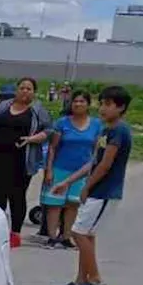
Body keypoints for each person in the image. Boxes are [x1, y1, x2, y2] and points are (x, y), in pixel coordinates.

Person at [51, 86, 133, 285]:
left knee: (78, 233)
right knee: (86, 234)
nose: (103, 108)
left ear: (121, 107)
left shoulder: (119, 131)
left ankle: (95, 278)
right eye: (102, 103)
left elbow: (105, 165)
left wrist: (87, 187)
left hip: (104, 191)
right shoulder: (106, 130)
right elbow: (93, 162)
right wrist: (68, 182)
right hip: (96, 190)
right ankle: (81, 279)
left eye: (108, 104)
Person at [0, 77, 52, 235]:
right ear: (16, 90)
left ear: (34, 92)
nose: (25, 91)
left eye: (29, 89)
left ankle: (15, 233)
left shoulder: (38, 111)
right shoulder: (1, 107)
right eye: (22, 88)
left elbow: (48, 132)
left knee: (17, 196)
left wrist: (31, 139)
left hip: (22, 161)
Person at [41, 90, 100, 249]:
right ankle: (52, 237)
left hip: (82, 171)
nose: (78, 104)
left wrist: (93, 170)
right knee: (54, 204)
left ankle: (67, 237)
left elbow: (96, 150)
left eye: (82, 101)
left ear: (88, 104)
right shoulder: (62, 123)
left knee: (72, 204)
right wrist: (49, 169)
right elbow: (52, 148)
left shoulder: (96, 124)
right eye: (75, 101)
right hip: (60, 168)